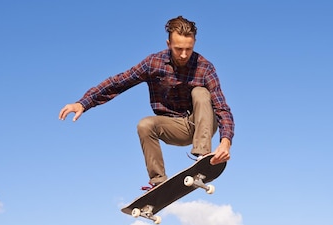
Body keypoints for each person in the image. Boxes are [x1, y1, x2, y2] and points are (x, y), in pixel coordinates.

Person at [59, 16, 234, 188]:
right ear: (168, 44)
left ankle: (202, 155)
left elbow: (222, 107)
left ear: (194, 42)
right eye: (178, 48)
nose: (183, 55)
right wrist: (83, 103)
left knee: (201, 93)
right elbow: (119, 82)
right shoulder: (153, 63)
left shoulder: (205, 67)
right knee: (145, 124)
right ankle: (158, 182)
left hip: (201, 124)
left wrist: (225, 141)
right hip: (174, 126)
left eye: (188, 49)